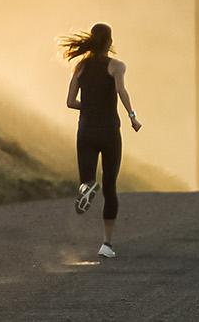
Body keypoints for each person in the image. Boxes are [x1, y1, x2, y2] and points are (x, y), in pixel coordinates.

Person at [60, 22, 142, 259]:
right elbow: (121, 92)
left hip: (86, 131)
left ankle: (87, 187)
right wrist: (133, 117)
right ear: (110, 42)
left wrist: (90, 105)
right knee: (110, 186)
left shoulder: (81, 67)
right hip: (109, 132)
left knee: (87, 180)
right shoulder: (116, 66)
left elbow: (69, 101)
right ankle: (106, 244)